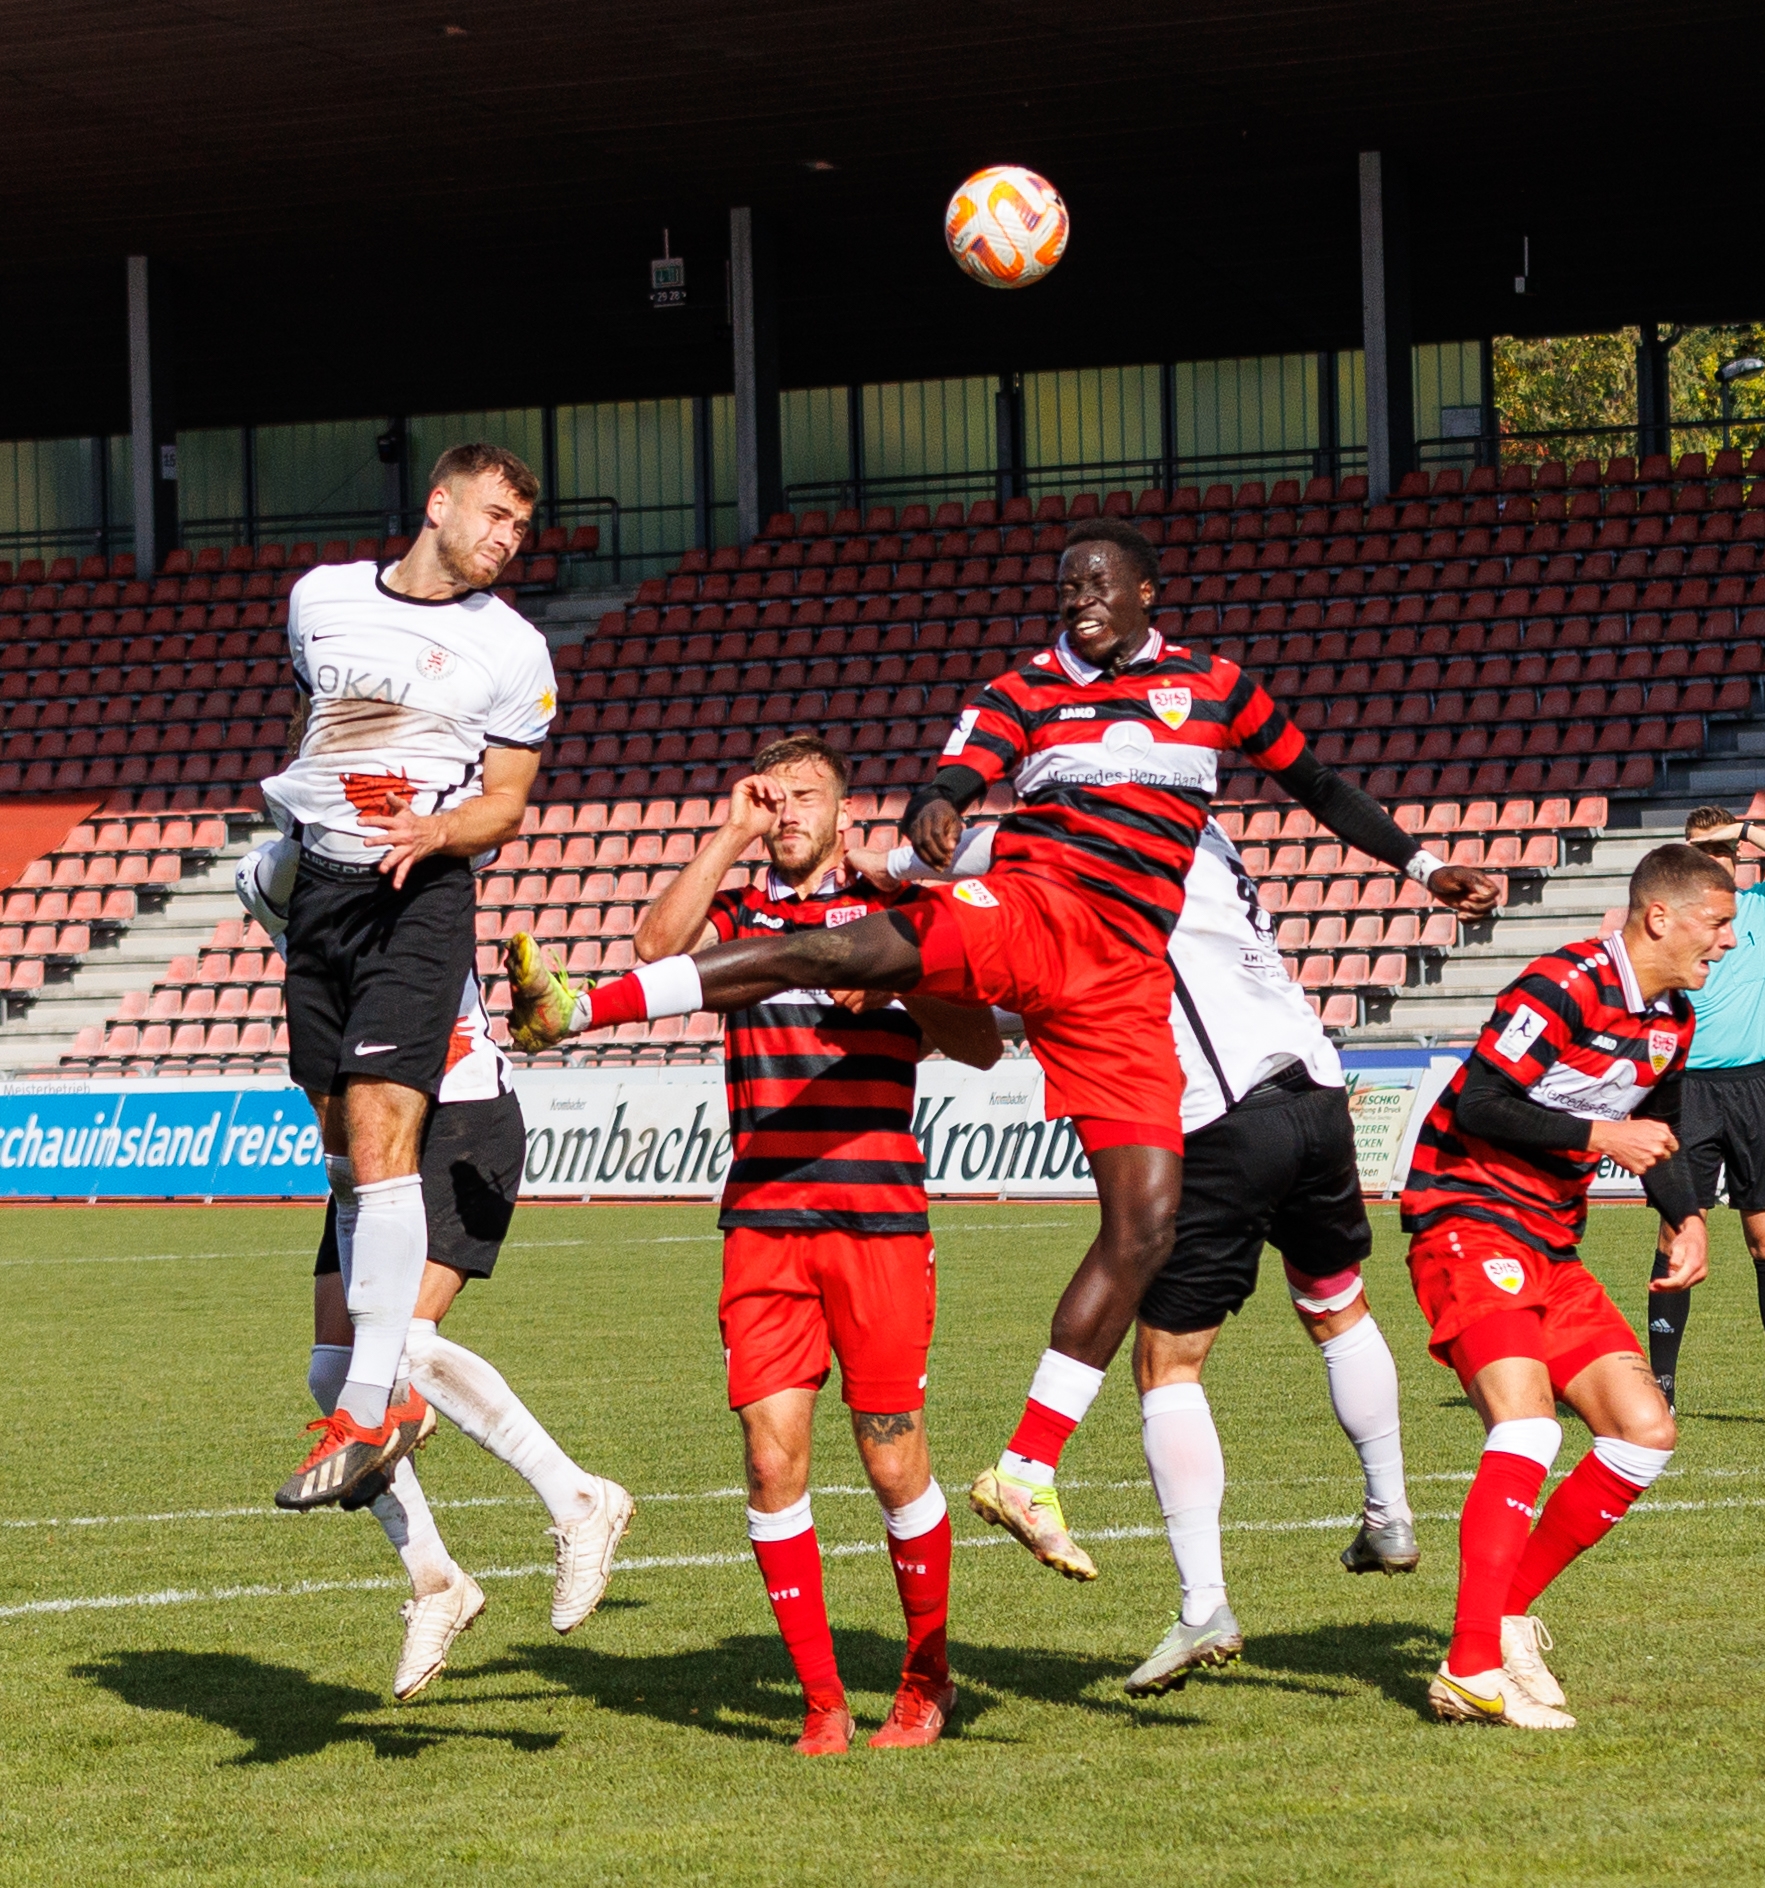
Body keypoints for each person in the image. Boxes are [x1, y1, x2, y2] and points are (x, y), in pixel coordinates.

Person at [509, 518, 1497, 1582]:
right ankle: (580, 1005)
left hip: (1124, 971)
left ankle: (1027, 1465)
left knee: (1148, 1218)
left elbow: (1318, 785)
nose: (1076, 596)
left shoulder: (1216, 687)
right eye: (1064, 583)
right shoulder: (1024, 687)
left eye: (1096, 581)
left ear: (1146, 592)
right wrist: (939, 805)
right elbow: (960, 766)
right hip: (1037, 907)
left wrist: (1420, 864)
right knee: (837, 941)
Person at [852, 813, 1419, 1697]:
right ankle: (1390, 1513)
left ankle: (1201, 1603)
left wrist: (873, 871)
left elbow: (953, 847)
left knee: (1168, 1365)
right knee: (1335, 1300)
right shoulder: (1204, 832)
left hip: (1218, 1109)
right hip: (1314, 1086)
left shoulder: (1100, 822)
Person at [514, 734, 1000, 1754]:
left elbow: (983, 1040)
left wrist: (904, 984)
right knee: (771, 1463)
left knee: (891, 1457)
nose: (787, 815)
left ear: (844, 813)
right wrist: (726, 831)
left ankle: (925, 1677)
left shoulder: (893, 918)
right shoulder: (739, 916)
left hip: (878, 1222)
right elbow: (656, 948)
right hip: (764, 1223)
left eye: (805, 798)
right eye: (771, 801)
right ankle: (821, 1698)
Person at [237, 838, 633, 1702]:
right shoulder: (285, 872)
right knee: (335, 1370)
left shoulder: (395, 850)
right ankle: (435, 1581)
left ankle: (578, 1499)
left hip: (460, 1121)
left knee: (403, 1346)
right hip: (381, 1144)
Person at [263, 443, 557, 1510]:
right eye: (493, 515)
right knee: (343, 1150)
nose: (506, 538)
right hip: (324, 898)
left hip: (418, 896)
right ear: (438, 503)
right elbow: (314, 723)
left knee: (384, 1140)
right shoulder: (320, 601)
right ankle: (370, 1401)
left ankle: (373, 1399)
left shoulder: (514, 648)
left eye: (520, 527)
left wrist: (439, 829)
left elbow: (508, 803)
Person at [1398, 843, 1736, 1729]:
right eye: (1719, 921)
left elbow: (1656, 1124)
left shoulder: (1674, 1017)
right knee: (1529, 1423)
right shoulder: (1565, 982)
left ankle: (1500, 1616)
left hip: (1551, 1243)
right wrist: (1595, 1138)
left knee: (1645, 1432)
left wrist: (1685, 1214)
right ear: (1660, 915)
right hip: (1467, 1215)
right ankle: (1470, 1669)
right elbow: (1480, 1103)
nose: (1728, 941)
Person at [1646, 809, 1765, 1425]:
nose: (1719, 863)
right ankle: (1661, 1388)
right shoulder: (1675, 921)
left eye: (1726, 853)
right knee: (1676, 1235)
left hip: (1754, 1089)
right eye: (1707, 854)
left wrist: (1745, 830)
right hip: (1687, 1092)